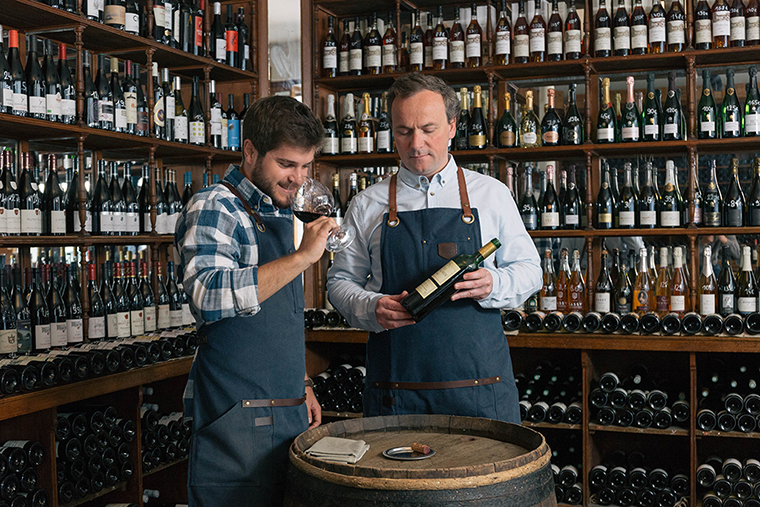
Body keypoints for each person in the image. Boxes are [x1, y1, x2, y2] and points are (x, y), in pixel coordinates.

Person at [327, 73, 542, 423]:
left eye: (428, 129)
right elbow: (339, 282)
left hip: (480, 389)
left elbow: (531, 271)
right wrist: (371, 306)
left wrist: (494, 284)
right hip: (395, 392)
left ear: (453, 126)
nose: (416, 144)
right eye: (403, 131)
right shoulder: (367, 203)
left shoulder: (491, 194)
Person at [175, 96, 334, 506]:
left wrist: (299, 381)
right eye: (286, 164)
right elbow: (207, 294)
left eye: (305, 166)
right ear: (250, 151)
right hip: (235, 421)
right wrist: (301, 258)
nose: (298, 179)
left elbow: (278, 313)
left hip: (288, 412)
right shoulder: (216, 205)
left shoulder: (280, 212)